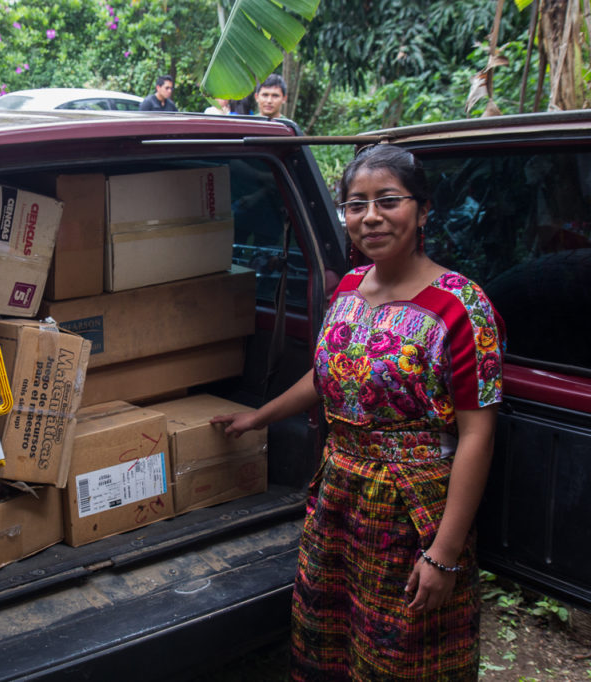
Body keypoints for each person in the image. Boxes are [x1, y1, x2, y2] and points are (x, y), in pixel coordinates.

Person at [212, 144, 504, 679]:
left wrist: (443, 553)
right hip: (339, 496)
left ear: (422, 210)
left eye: (387, 201)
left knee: (405, 648)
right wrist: (258, 417)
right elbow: (327, 377)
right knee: (331, 636)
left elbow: (477, 436)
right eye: (355, 204)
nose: (370, 217)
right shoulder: (347, 289)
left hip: (412, 508)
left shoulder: (462, 306)